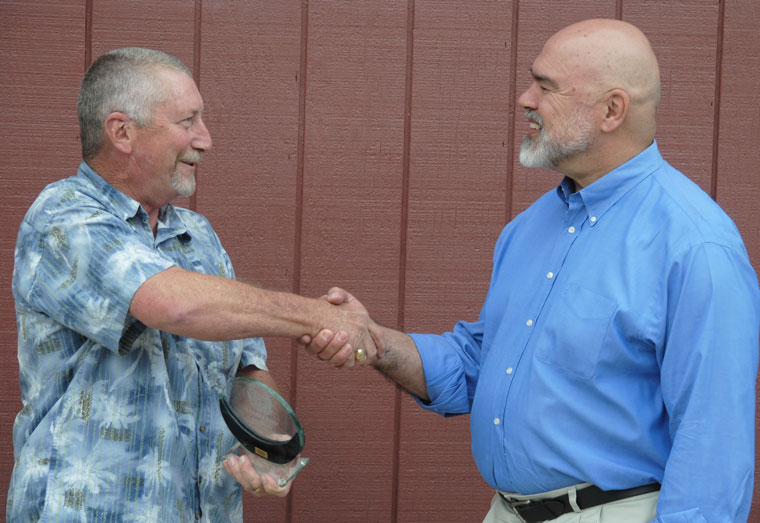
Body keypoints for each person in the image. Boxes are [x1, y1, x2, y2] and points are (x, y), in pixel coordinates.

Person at [305, 19, 760, 522]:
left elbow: (712, 451)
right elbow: (479, 364)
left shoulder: (696, 246)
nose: (525, 98)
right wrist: (374, 341)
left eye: (545, 86)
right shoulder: (530, 228)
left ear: (612, 110)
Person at [7, 47, 375, 522]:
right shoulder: (63, 217)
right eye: (187, 121)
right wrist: (321, 316)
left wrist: (270, 451)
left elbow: (246, 368)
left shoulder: (197, 236)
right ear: (122, 132)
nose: (206, 140)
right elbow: (171, 304)